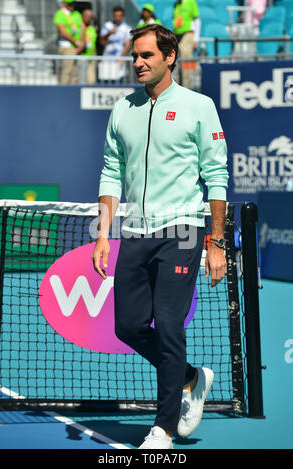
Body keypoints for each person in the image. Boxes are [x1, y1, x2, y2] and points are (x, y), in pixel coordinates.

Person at [93, 24, 228, 449]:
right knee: (127, 327)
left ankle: (163, 428)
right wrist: (102, 233)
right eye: (135, 56)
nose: (138, 63)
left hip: (184, 231)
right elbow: (111, 171)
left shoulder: (199, 106)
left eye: (147, 55)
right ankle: (190, 377)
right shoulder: (122, 109)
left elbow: (217, 176)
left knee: (169, 326)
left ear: (170, 57)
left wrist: (216, 242)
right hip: (134, 232)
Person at [53, 0, 85, 84]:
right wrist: (76, 42)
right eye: (70, 3)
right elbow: (62, 32)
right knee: (67, 71)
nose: (72, 5)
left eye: (73, 3)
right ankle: (63, 92)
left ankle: (73, 93)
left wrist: (81, 43)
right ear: (64, 3)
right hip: (67, 46)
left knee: (75, 72)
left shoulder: (77, 14)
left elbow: (82, 29)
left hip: (77, 47)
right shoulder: (60, 14)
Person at [98, 6, 131, 83]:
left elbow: (127, 44)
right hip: (107, 59)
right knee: (105, 83)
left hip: (119, 60)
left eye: (119, 16)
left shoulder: (126, 28)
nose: (117, 18)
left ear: (122, 16)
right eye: (115, 16)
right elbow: (101, 42)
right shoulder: (107, 25)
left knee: (118, 83)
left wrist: (122, 58)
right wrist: (109, 33)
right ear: (113, 15)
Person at [173, 0, 200, 89]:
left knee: (186, 62)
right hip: (177, 35)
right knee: (178, 63)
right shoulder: (176, 4)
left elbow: (197, 21)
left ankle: (187, 87)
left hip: (188, 33)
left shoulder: (191, 2)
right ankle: (179, 86)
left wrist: (196, 39)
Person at [81, 9, 97, 84]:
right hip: (82, 57)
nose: (88, 18)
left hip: (91, 57)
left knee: (91, 80)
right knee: (82, 79)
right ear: (82, 16)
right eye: (87, 16)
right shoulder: (79, 27)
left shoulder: (92, 28)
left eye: (90, 17)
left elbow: (93, 44)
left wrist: (95, 56)